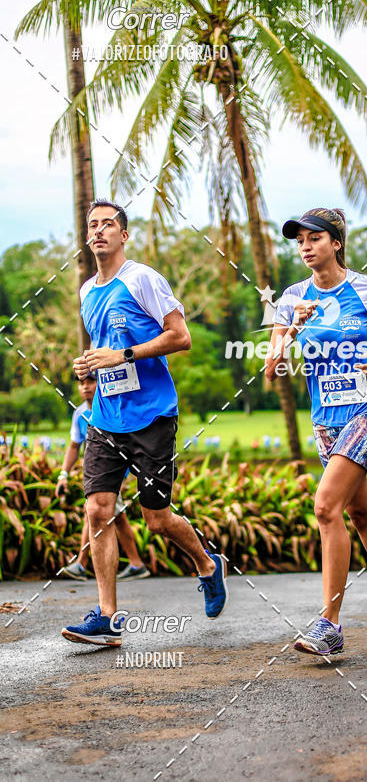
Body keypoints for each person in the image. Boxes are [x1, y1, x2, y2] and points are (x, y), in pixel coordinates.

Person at [61, 199, 227, 647]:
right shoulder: (86, 290)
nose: (98, 232)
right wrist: (91, 370)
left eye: (108, 225)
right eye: (92, 225)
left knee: (156, 520)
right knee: (98, 509)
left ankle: (208, 564)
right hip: (106, 417)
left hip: (152, 415)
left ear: (123, 235)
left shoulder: (143, 279)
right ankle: (108, 617)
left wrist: (125, 355)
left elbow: (181, 337)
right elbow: (103, 345)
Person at [265, 208, 367, 655]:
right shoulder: (290, 298)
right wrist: (291, 327)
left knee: (325, 507)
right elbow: (271, 370)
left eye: (314, 237)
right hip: (326, 421)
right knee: (360, 515)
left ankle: (329, 625)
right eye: (299, 240)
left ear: (335, 243)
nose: (304, 246)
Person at [56, 372, 149, 582]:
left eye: (91, 381)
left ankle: (81, 563)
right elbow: (73, 446)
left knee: (94, 509)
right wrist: (64, 474)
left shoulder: (111, 409)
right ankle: (136, 564)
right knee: (116, 514)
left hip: (111, 471)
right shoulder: (79, 414)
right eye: (81, 383)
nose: (85, 387)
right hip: (96, 472)